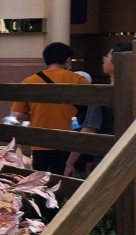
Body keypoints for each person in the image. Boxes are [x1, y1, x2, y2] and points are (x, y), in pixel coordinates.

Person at [10, 42, 89, 176]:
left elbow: (18, 115)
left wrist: (36, 115)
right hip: (66, 141)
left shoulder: (29, 81)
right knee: (63, 180)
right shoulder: (78, 80)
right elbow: (88, 110)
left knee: (40, 181)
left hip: (39, 141)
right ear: (68, 60)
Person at [66, 42, 132, 177]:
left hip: (106, 159)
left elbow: (89, 129)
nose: (104, 61)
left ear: (117, 61)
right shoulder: (131, 92)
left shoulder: (101, 94)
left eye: (107, 57)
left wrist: (70, 161)